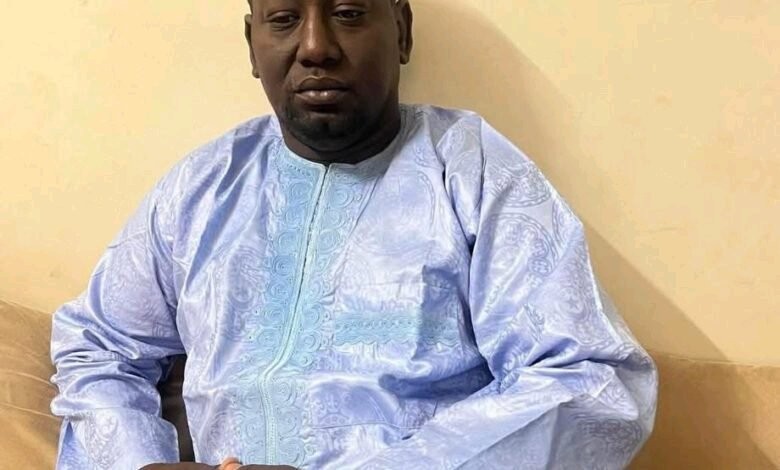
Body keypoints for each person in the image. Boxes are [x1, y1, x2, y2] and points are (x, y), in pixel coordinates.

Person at [50, 1, 658, 469]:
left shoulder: (472, 170)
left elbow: (593, 383)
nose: (316, 47)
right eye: (284, 19)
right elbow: (97, 347)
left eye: (347, 13)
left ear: (402, 30)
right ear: (252, 45)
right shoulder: (203, 186)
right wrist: (136, 463)